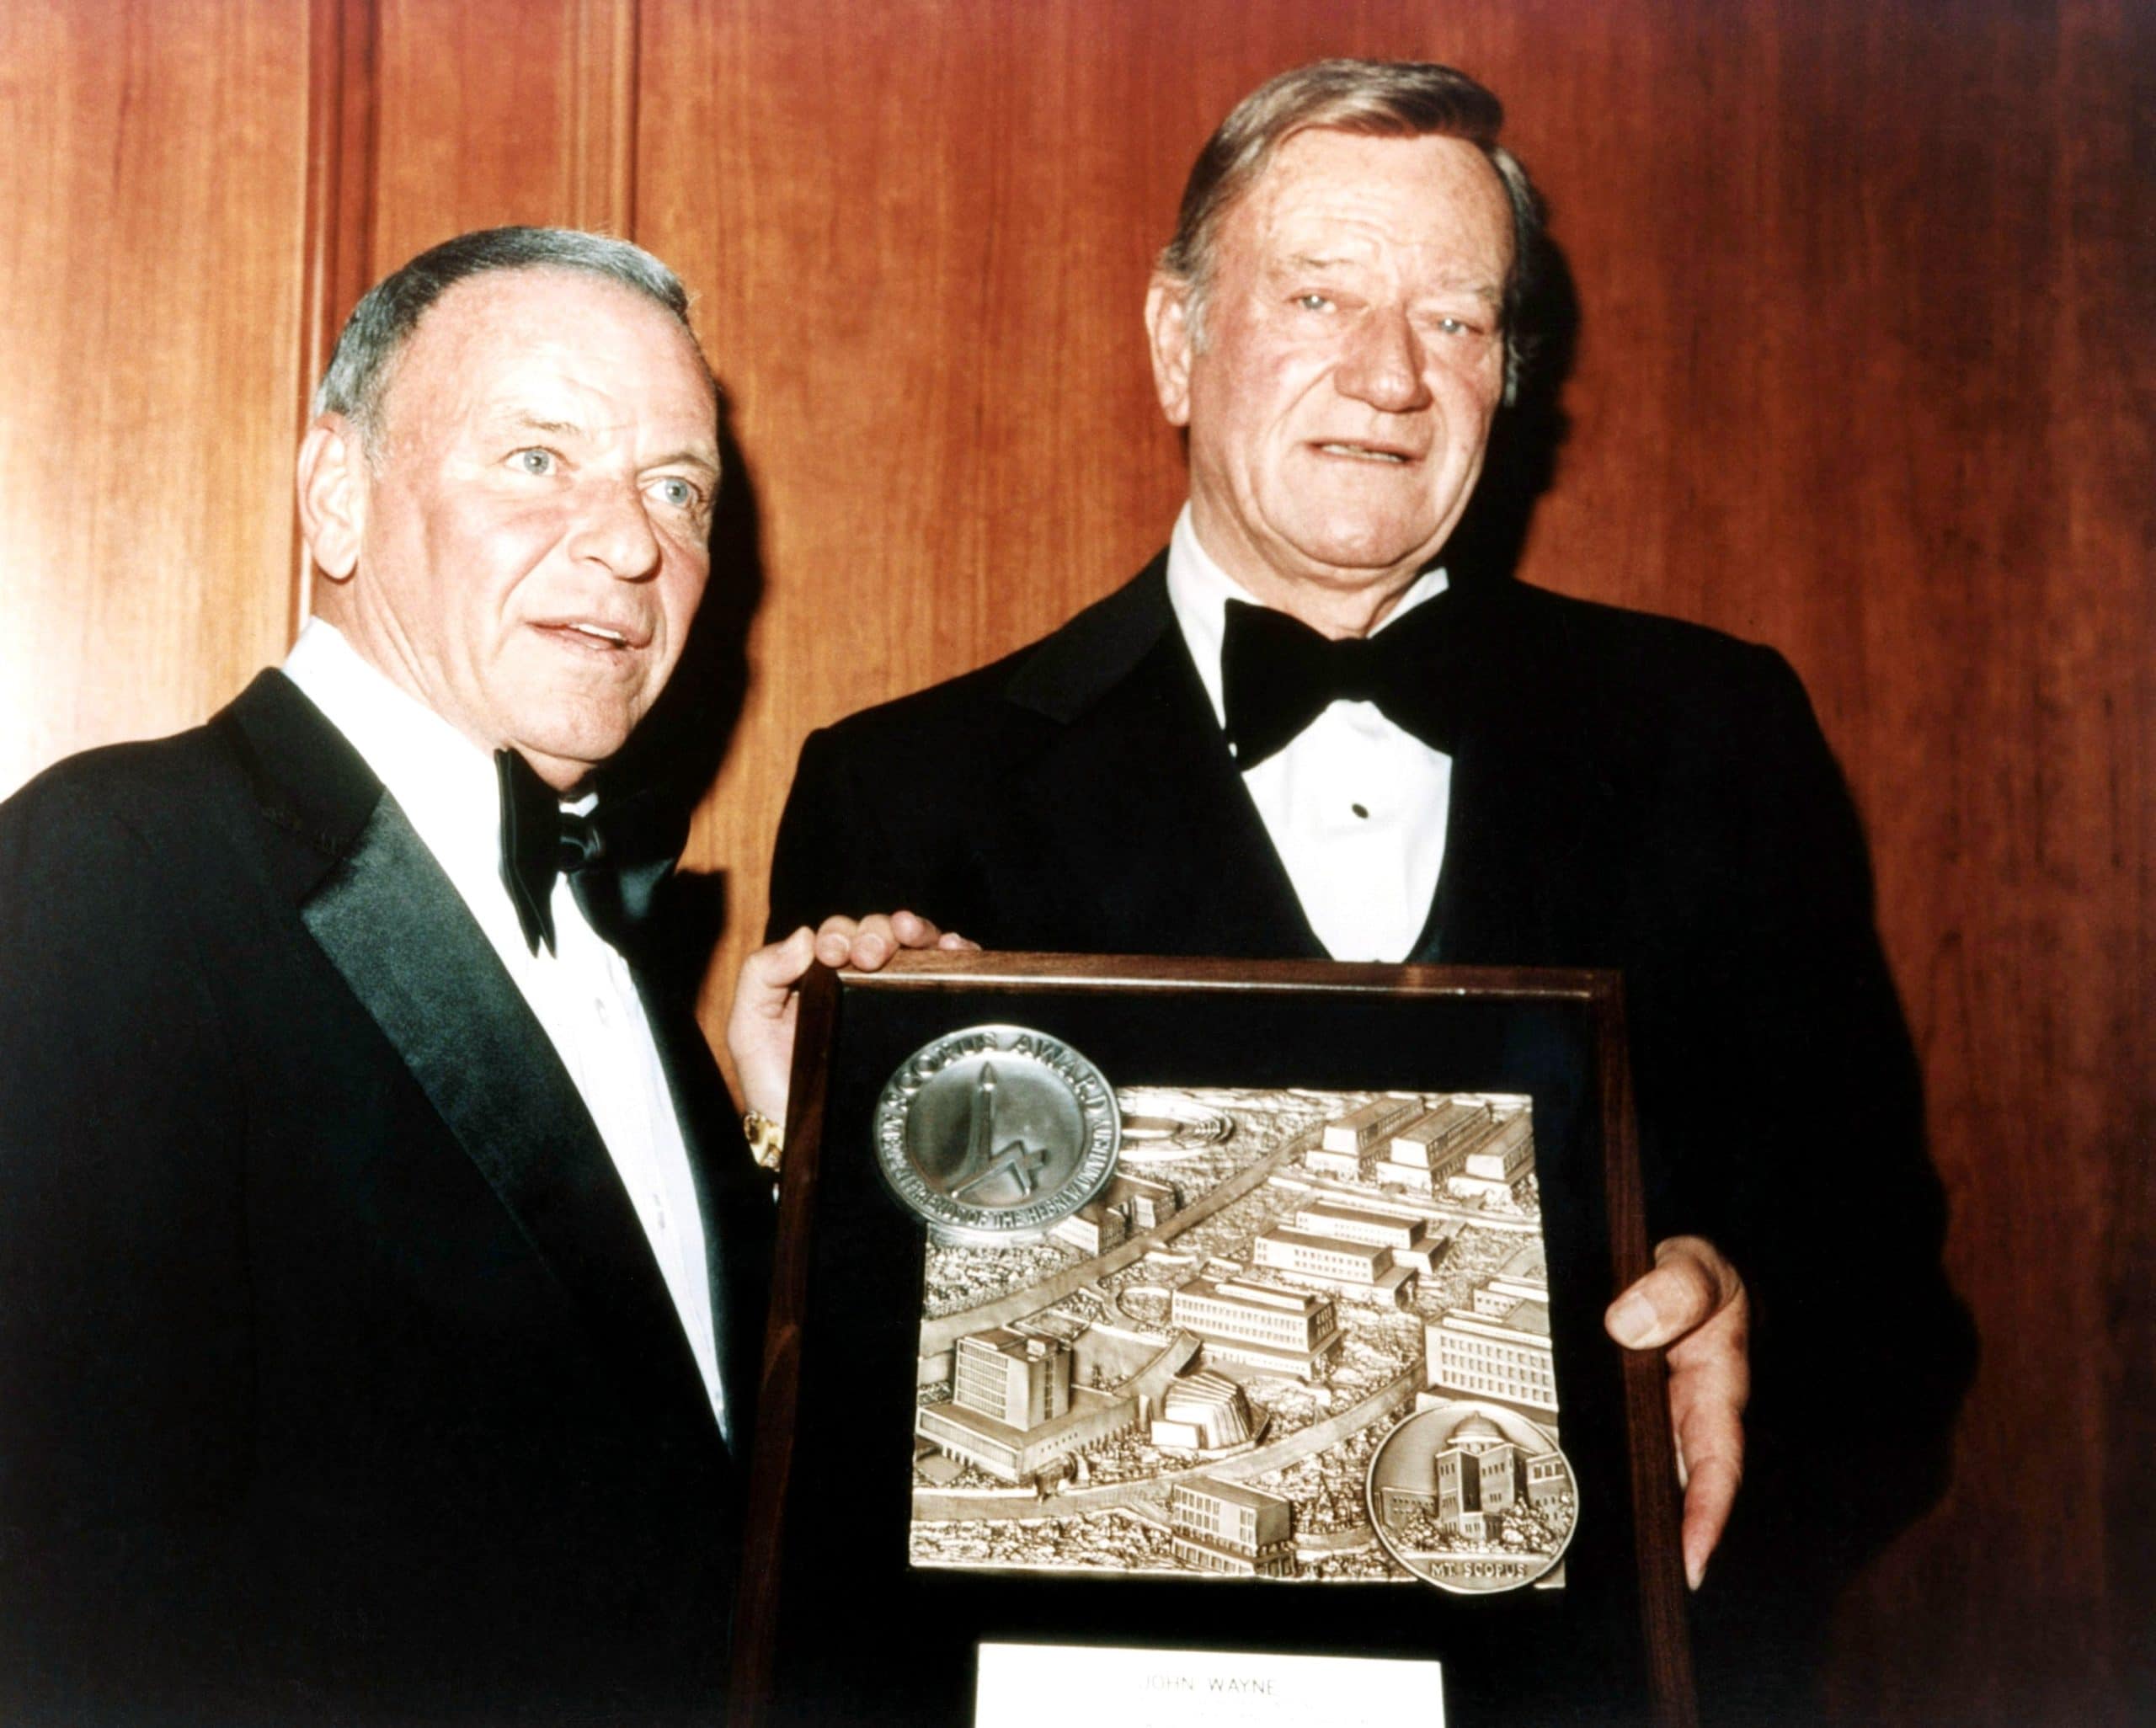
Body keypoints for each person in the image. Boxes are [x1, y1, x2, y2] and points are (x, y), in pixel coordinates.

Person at [734, 61, 1970, 1712]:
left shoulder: (1717, 735)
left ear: (1507, 374)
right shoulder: (907, 789)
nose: (1388, 375)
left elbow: (1888, 1320)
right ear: (1175, 342)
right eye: (1314, 295)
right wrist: (794, 1150)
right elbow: (834, 1430)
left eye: (1455, 320)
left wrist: (1736, 1344)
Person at [0, 227, 945, 1725]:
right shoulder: (112, 865)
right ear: (336, 495)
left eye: (677, 489)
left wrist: (776, 1147)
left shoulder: (607, 947)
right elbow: (67, 1580)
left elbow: (648, 1474)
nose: (634, 545)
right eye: (538, 458)